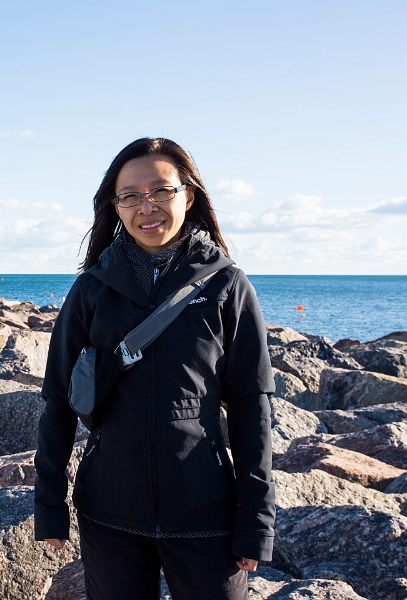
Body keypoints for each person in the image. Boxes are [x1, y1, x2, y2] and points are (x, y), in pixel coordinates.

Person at [34, 137, 275, 600]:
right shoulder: (92, 289)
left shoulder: (226, 284)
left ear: (189, 195)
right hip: (108, 511)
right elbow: (58, 400)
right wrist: (49, 506)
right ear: (115, 205)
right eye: (131, 195)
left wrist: (255, 520)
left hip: (206, 511)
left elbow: (251, 406)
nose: (148, 206)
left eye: (161, 191)